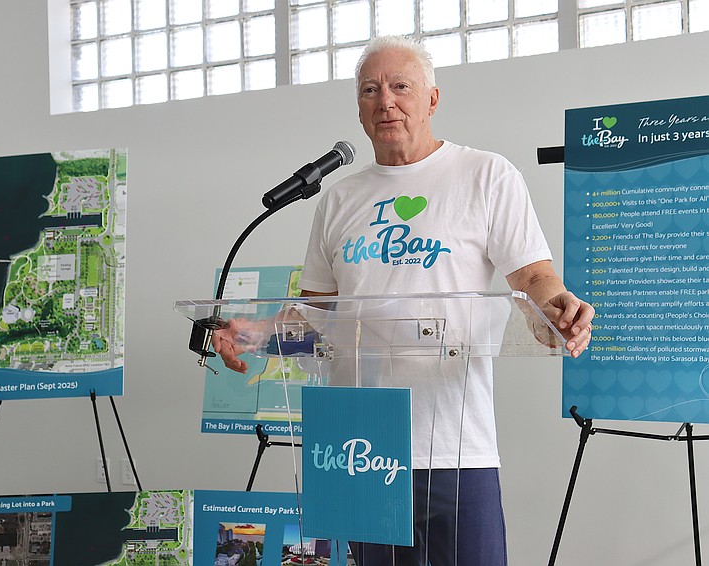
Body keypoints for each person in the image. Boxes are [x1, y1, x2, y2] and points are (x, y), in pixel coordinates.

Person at [214, 35, 593, 566]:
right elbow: (315, 317)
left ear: (432, 99)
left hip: (457, 443)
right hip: (363, 446)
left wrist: (555, 308)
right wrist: (251, 332)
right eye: (371, 89)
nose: (385, 100)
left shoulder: (484, 175)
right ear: (359, 108)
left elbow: (534, 275)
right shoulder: (338, 199)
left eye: (400, 87)